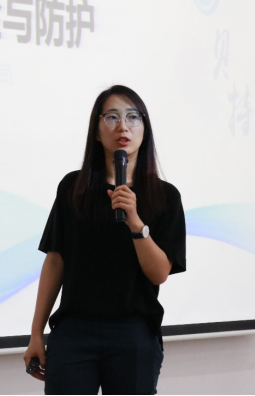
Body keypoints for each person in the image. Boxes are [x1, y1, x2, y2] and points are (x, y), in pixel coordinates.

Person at [24, 85, 187, 395]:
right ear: (96, 131)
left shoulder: (165, 196)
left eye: (133, 117)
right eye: (112, 117)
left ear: (145, 129)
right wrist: (35, 333)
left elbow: (159, 274)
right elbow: (55, 260)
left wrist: (136, 222)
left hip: (134, 333)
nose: (123, 126)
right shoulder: (73, 187)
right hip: (74, 332)